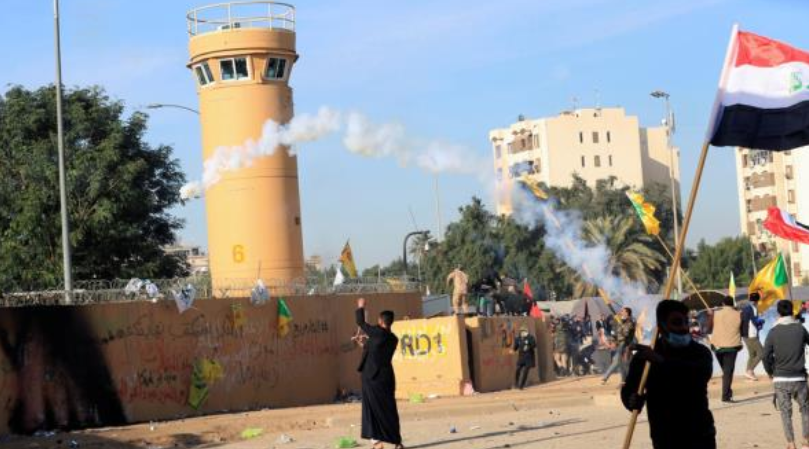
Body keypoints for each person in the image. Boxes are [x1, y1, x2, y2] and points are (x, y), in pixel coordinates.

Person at [622, 300, 716, 449]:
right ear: (661, 327)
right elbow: (629, 389)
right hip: (665, 436)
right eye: (677, 322)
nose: (684, 328)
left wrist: (660, 361)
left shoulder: (700, 352)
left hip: (700, 434)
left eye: (686, 322)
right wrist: (632, 400)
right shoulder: (645, 358)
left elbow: (698, 374)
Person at [355, 297, 403, 449]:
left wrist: (361, 306)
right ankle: (397, 442)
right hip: (386, 378)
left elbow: (361, 323)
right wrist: (364, 345)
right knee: (389, 409)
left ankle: (376, 442)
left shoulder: (377, 333)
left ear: (381, 321)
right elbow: (377, 350)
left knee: (371, 409)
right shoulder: (393, 339)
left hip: (372, 377)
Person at [764, 300, 809, 449]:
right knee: (805, 408)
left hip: (780, 378)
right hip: (800, 378)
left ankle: (791, 443)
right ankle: (806, 441)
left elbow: (765, 356)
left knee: (785, 412)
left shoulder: (773, 331)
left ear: (778, 312)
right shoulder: (801, 329)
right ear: (792, 310)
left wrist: (770, 371)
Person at [709, 295, 743, 403]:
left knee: (726, 371)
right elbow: (742, 329)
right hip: (732, 346)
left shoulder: (716, 313)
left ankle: (728, 392)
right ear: (732, 304)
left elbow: (709, 328)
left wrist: (710, 315)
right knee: (728, 372)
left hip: (717, 346)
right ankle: (726, 396)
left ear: (723, 304)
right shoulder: (739, 314)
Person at [602, 307, 635, 385]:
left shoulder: (630, 322)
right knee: (619, 361)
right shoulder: (621, 322)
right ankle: (622, 380)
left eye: (623, 311)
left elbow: (626, 334)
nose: (621, 312)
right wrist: (614, 341)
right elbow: (617, 333)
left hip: (626, 344)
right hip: (621, 343)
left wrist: (621, 324)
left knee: (624, 362)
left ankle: (624, 380)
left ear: (627, 313)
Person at [741, 292, 765, 381]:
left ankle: (748, 373)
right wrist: (761, 321)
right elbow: (754, 321)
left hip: (745, 334)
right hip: (751, 335)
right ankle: (750, 371)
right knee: (761, 353)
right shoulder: (753, 308)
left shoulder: (746, 308)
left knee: (752, 354)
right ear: (758, 300)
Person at [512, 325, 537, 389]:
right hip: (521, 357)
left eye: (524, 331)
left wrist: (529, 344)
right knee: (518, 369)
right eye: (521, 331)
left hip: (529, 357)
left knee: (526, 371)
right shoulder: (518, 338)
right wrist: (512, 350)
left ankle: (521, 385)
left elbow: (534, 345)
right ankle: (516, 383)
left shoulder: (530, 337)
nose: (523, 332)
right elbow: (515, 347)